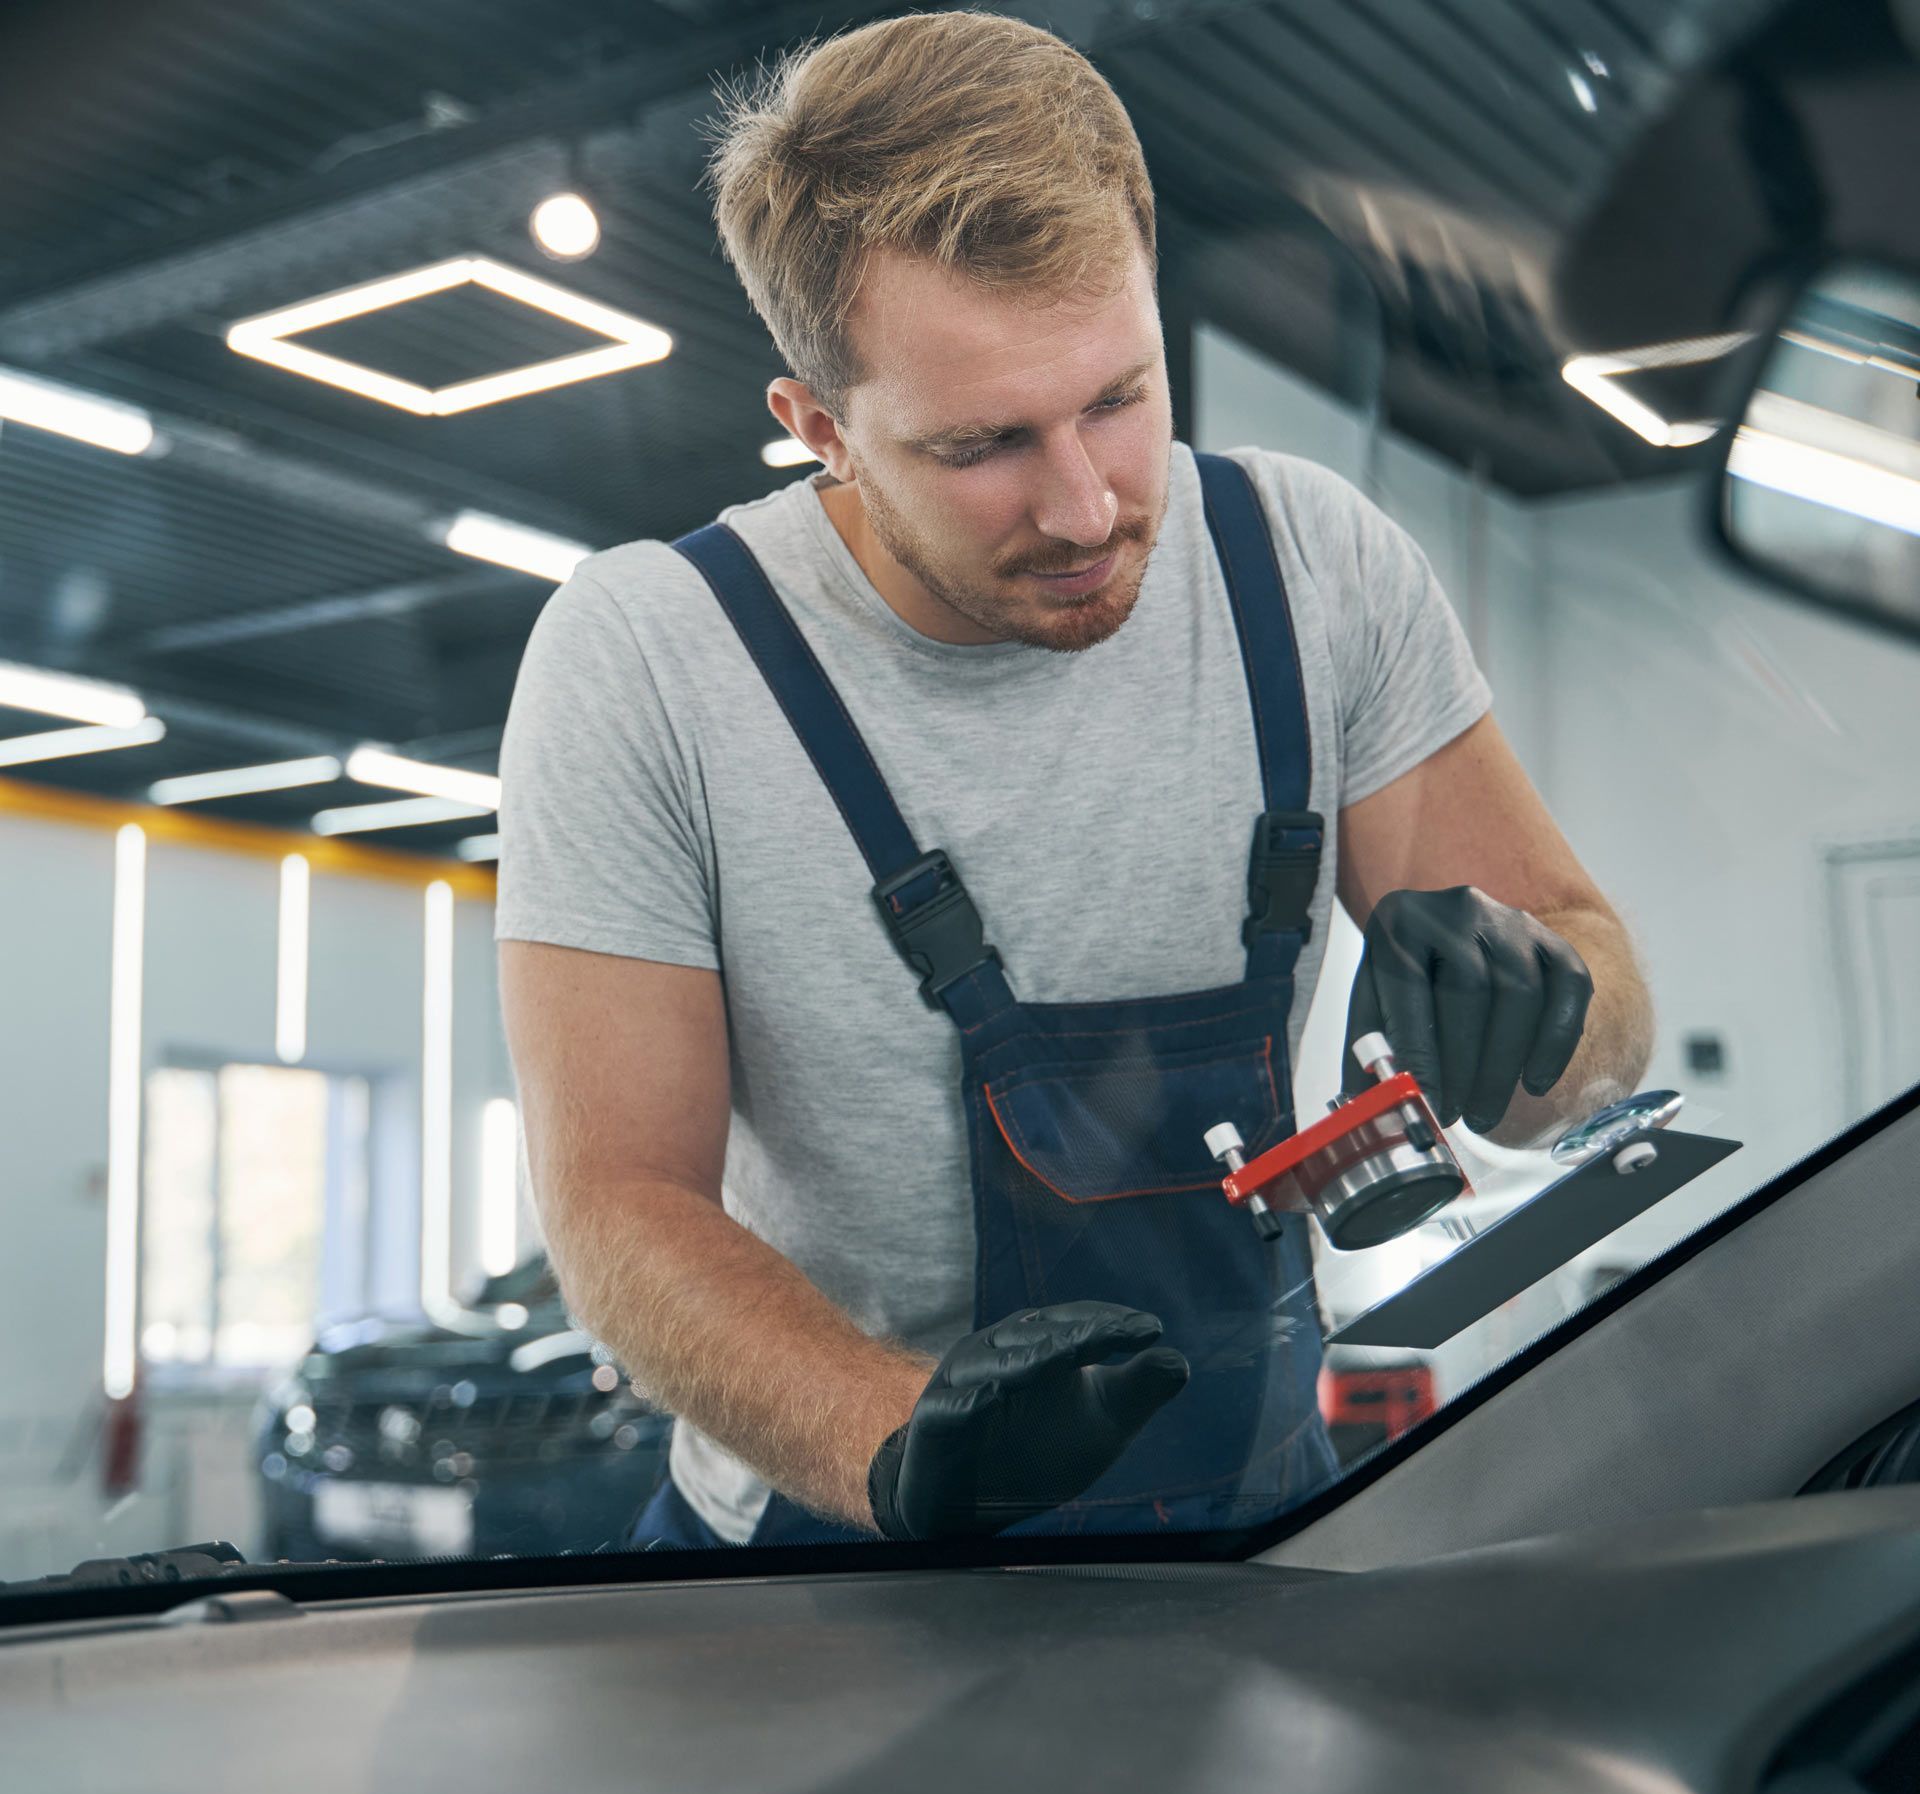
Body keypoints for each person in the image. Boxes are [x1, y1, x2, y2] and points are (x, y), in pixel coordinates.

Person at [496, 12, 1654, 1549]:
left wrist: (1547, 1014)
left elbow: (1604, 1006)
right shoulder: (650, 659)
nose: (1089, 505)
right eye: (984, 444)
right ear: (821, 430)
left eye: (1120, 396)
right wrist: (899, 1448)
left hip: (1257, 1517)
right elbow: (620, 1211)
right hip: (836, 1539)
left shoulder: (1311, 571)